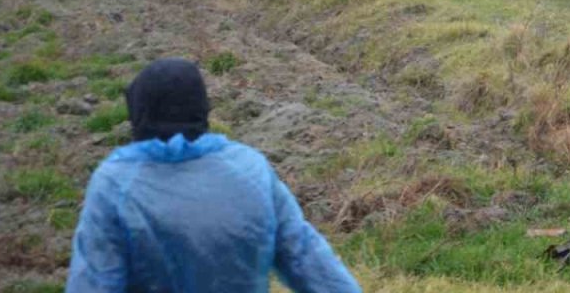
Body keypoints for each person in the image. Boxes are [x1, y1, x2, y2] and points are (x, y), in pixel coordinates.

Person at [67, 58, 361, 293]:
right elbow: (306, 258)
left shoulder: (116, 183)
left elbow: (93, 281)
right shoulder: (251, 171)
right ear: (203, 108)